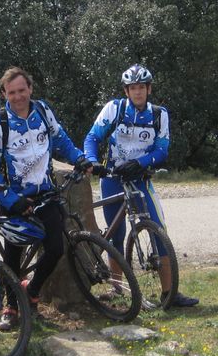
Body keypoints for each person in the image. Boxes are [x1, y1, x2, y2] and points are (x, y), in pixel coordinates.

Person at [0, 67, 92, 330]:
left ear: (30, 88)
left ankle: (31, 290)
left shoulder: (42, 110)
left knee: (55, 248)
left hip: (46, 192)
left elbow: (60, 140)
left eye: (22, 90)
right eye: (11, 92)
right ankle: (11, 306)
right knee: (13, 255)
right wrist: (9, 200)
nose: (18, 96)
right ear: (4, 93)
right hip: (15, 198)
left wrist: (79, 159)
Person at [83, 63, 199, 307]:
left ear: (149, 89)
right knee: (116, 233)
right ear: (126, 91)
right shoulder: (114, 109)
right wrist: (93, 162)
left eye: (141, 88)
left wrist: (141, 162)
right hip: (113, 178)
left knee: (157, 229)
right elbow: (92, 138)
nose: (137, 92)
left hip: (141, 179)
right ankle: (117, 289)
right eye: (132, 88)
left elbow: (162, 149)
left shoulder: (159, 114)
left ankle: (170, 293)